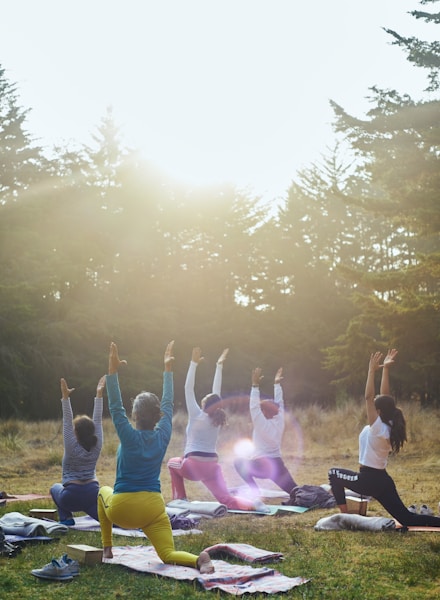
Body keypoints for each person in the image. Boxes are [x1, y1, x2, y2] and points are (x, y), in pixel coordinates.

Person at [98, 341, 214, 574]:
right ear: (157, 415)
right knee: (167, 554)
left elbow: (115, 406)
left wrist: (112, 372)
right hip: (153, 507)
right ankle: (198, 560)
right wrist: (168, 371)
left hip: (122, 510)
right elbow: (168, 405)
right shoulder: (163, 436)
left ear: (135, 414)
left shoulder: (128, 435)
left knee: (102, 491)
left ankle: (107, 548)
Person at [328, 349, 440, 527]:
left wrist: (371, 371)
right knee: (407, 519)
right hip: (382, 481)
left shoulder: (378, 427)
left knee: (333, 473)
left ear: (378, 410)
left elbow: (368, 397)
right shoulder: (388, 424)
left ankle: (347, 517)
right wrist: (386, 369)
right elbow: (384, 396)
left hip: (368, 480)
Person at [167, 347, 262, 511]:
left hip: (193, 466)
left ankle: (180, 499)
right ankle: (255, 505)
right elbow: (216, 392)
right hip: (212, 466)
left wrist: (193, 363)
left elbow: (188, 388)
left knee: (171, 463)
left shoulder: (196, 414)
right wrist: (219, 366)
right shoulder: (217, 418)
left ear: (204, 403)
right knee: (226, 499)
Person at [234, 367, 298, 499]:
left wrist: (255, 385)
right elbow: (280, 402)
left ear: (264, 412)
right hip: (277, 465)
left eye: (262, 410)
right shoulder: (279, 420)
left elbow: (253, 406)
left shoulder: (261, 424)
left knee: (238, 462)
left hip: (261, 466)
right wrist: (277, 385)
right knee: (296, 492)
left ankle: (254, 491)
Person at [50, 376, 104, 525]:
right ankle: (134, 524)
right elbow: (98, 420)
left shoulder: (71, 445)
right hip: (93, 494)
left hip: (71, 497)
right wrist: (99, 395)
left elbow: (67, 420)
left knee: (54, 488)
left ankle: (66, 519)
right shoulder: (97, 444)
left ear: (76, 432)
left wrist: (65, 397)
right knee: (110, 520)